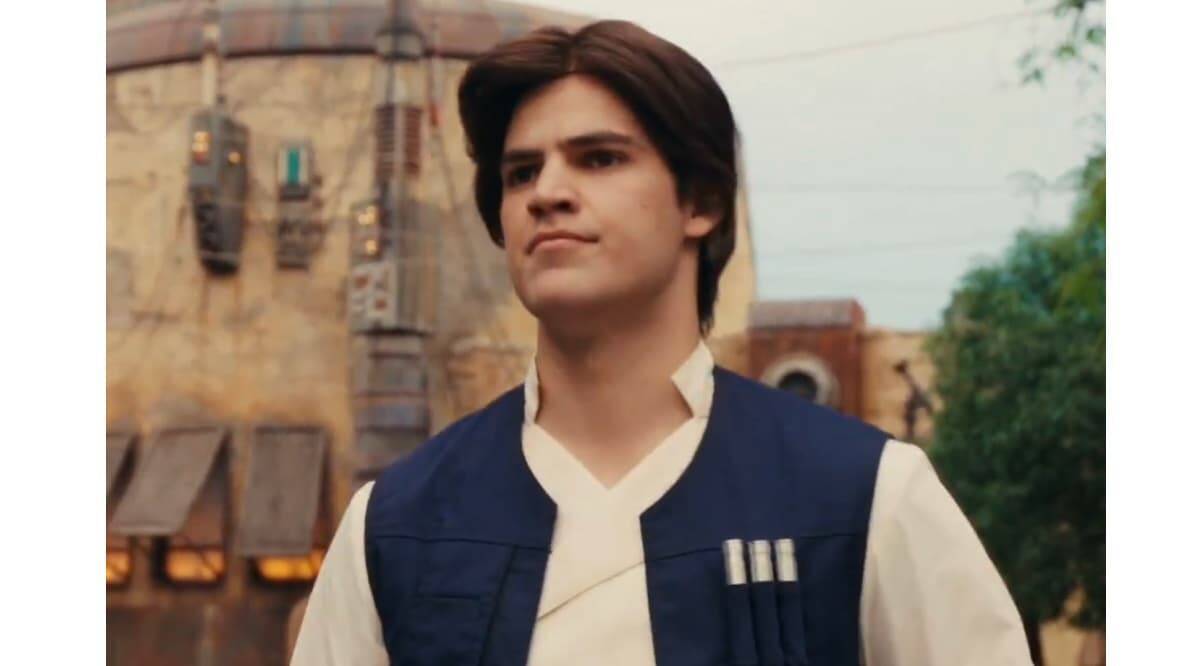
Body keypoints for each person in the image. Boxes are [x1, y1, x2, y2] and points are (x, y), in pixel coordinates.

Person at [291, 20, 1031, 666]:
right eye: (522, 172)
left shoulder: (866, 498)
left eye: (599, 158)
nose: (548, 192)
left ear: (701, 202)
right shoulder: (396, 525)